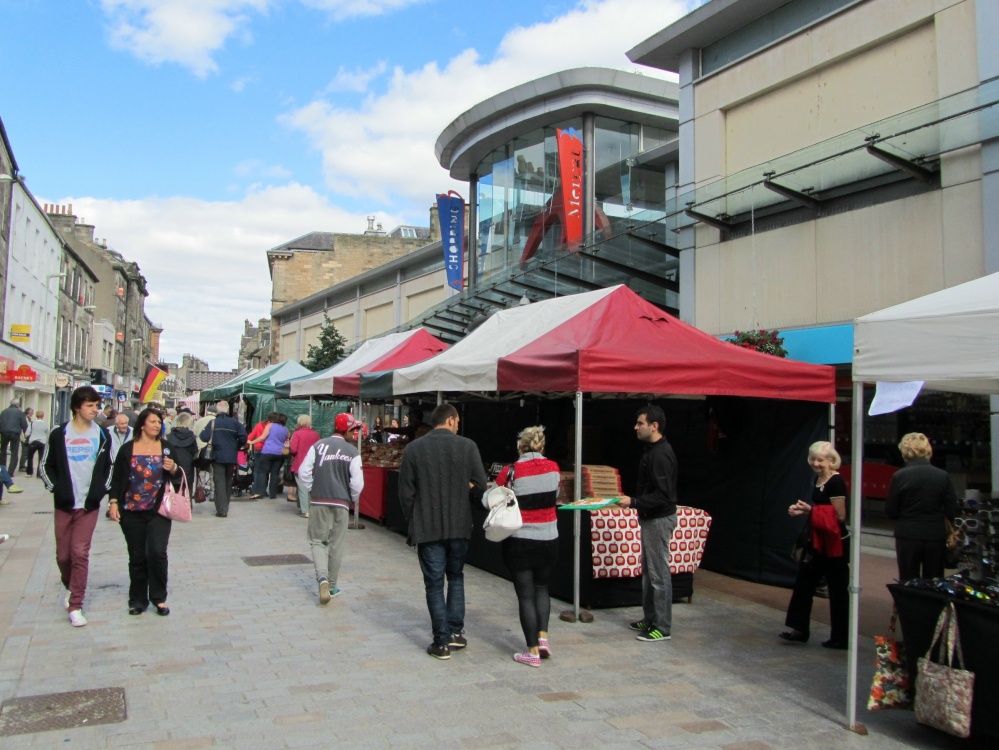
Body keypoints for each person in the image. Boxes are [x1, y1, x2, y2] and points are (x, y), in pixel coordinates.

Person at [398, 403, 487, 660]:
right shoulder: (467, 447)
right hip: (459, 525)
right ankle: (455, 633)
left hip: (428, 527)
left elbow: (405, 493)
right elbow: (480, 486)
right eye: (457, 421)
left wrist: (413, 518)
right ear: (450, 420)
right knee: (456, 577)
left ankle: (441, 641)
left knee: (434, 584)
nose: (458, 426)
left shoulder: (414, 449)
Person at [38, 386, 113, 627]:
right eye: (90, 405)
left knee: (80, 553)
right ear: (77, 407)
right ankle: (70, 585)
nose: (95, 410)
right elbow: (45, 466)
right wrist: (55, 488)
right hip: (65, 502)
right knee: (63, 556)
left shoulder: (102, 435)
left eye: (96, 405)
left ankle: (76, 604)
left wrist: (101, 491)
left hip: (88, 505)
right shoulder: (59, 434)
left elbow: (109, 466)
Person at [492, 425, 561, 667]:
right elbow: (557, 493)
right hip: (549, 538)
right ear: (541, 445)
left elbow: (492, 498)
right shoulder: (554, 468)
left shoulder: (511, 471)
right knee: (543, 588)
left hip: (520, 541)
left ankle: (531, 651)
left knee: (525, 596)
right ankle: (543, 639)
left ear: (521, 446)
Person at [107, 408, 178, 616]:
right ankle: (138, 599)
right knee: (137, 556)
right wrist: (113, 502)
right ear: (142, 424)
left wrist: (173, 467)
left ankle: (159, 597)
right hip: (131, 509)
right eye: (153, 421)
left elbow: (179, 474)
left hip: (159, 509)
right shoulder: (128, 449)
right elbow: (118, 478)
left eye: (159, 422)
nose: (157, 425)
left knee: (157, 552)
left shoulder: (166, 448)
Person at [780, 440, 850, 650]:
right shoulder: (820, 478)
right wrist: (804, 511)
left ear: (831, 460)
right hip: (818, 539)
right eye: (812, 459)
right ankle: (799, 628)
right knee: (804, 581)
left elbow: (839, 516)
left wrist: (810, 511)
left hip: (834, 542)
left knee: (837, 589)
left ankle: (840, 635)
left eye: (820, 460)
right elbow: (822, 511)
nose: (815, 463)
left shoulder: (836, 482)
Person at [618, 404, 679, 644]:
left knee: (658, 574)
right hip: (650, 518)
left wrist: (633, 501)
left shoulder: (661, 454)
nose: (635, 427)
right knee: (649, 573)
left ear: (654, 426)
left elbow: (664, 496)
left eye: (640, 423)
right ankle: (651, 617)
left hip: (659, 520)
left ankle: (663, 627)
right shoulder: (652, 451)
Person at [297, 413, 364, 604]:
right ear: (348, 430)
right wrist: (351, 498)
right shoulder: (352, 452)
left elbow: (303, 472)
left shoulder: (318, 445)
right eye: (354, 429)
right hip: (341, 503)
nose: (356, 433)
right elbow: (358, 484)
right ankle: (332, 585)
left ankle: (322, 578)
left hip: (319, 500)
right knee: (337, 544)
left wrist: (312, 488)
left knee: (317, 541)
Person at [886, 433, 959, 581]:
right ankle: (931, 604)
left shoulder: (900, 476)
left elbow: (891, 511)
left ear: (904, 451)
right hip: (935, 535)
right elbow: (952, 509)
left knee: (908, 579)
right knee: (934, 580)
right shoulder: (942, 475)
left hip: (908, 534)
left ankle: (909, 604)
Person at [200, 401, 247, 518]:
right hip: (231, 456)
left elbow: (203, 437)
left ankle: (222, 509)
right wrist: (235, 446)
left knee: (219, 482)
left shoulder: (213, 423)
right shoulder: (235, 423)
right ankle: (225, 505)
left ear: (217, 411)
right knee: (228, 481)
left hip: (217, 456)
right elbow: (243, 437)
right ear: (227, 410)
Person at [247, 412, 289, 499]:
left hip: (268, 452)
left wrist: (252, 442)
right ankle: (273, 494)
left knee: (263, 472)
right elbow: (287, 440)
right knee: (275, 473)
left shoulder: (270, 425)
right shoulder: (285, 429)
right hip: (279, 453)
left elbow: (262, 437)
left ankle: (260, 492)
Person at [289, 414, 321, 519]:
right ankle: (308, 507)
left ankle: (305, 510)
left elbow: (293, 449)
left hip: (300, 463)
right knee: (311, 487)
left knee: (302, 488)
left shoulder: (297, 434)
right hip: (314, 464)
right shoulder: (316, 435)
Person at [167, 412, 198, 493]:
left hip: (174, 467)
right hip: (188, 467)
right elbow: (195, 453)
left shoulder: (169, 437)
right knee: (187, 493)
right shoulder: (192, 437)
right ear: (188, 423)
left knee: (173, 494)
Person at [0, 398, 29, 476]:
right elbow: (24, 425)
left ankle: (2, 469)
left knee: (3, 451)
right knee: (14, 452)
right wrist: (27, 434)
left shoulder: (3, 412)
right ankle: (10, 472)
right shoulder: (20, 413)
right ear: (17, 405)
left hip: (4, 432)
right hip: (15, 433)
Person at [24, 409, 49, 477]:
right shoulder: (45, 424)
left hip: (33, 442)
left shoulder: (32, 423)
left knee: (30, 457)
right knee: (41, 458)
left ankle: (29, 472)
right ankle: (39, 473)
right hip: (42, 442)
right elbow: (47, 434)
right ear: (43, 416)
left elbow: (27, 433)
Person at [18, 407, 34, 473]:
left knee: (26, 452)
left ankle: (23, 465)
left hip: (27, 437)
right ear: (29, 412)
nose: (32, 413)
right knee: (24, 452)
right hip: (25, 438)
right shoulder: (25, 418)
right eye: (32, 412)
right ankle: (22, 466)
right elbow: (26, 428)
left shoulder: (28, 419)